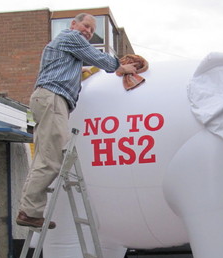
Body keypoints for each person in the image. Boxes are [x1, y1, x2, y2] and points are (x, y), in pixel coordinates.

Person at [16, 13, 137, 229]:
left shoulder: (67, 50)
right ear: (74, 24)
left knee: (43, 159)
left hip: (47, 99)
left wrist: (87, 73)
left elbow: (79, 68)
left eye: (92, 30)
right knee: (50, 161)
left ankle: (28, 209)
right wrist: (121, 67)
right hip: (53, 99)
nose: (88, 32)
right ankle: (30, 212)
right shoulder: (71, 37)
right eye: (86, 26)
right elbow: (101, 59)